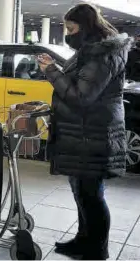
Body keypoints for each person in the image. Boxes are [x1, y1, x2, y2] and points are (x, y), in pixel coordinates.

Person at [37, 3, 131, 260]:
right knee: (81, 192)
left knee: (91, 195)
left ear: (86, 27)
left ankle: (97, 250)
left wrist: (51, 72)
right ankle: (83, 240)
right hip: (83, 133)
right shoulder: (89, 51)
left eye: (71, 28)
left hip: (93, 134)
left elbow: (81, 96)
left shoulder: (102, 54)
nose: (67, 33)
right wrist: (55, 68)